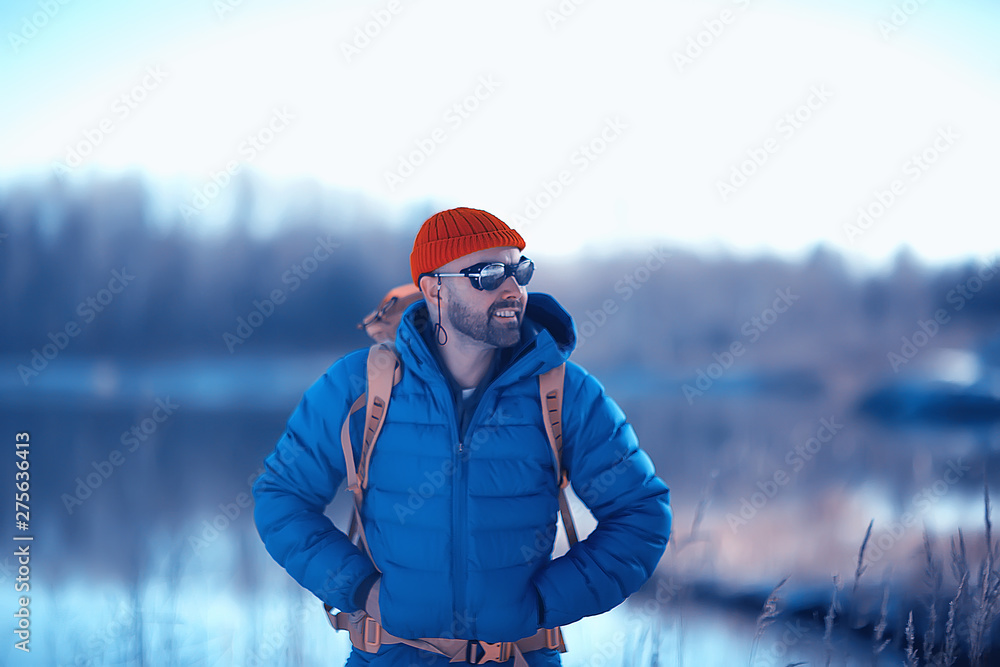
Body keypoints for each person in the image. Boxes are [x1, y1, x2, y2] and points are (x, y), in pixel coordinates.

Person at [253, 207, 672, 666]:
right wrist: (360, 590)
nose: (513, 288)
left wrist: (544, 604)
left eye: (520, 270)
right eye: (488, 274)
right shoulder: (360, 386)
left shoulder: (565, 392)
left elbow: (642, 514)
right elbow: (281, 497)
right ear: (434, 288)